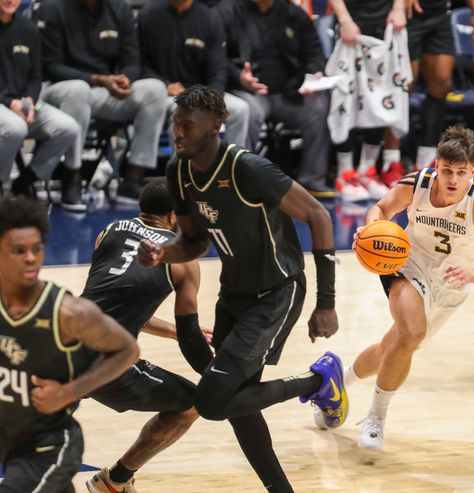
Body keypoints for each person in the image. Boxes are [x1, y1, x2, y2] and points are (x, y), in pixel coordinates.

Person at [136, 85, 345, 492]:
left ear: (216, 125)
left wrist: (327, 302)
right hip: (233, 295)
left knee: (214, 400)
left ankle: (318, 382)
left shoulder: (247, 168)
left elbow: (318, 214)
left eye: (185, 125)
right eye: (174, 124)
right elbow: (194, 241)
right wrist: (164, 253)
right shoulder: (178, 172)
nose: (176, 132)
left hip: (277, 293)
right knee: (239, 402)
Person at [331, 126, 474, 451]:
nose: (453, 180)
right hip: (407, 265)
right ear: (436, 166)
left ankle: (339, 381)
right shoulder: (416, 185)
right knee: (412, 333)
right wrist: (372, 228)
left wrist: (473, 273)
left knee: (396, 345)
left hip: (453, 284)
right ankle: (376, 418)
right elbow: (381, 209)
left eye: (461, 173)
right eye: (446, 171)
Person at [80, 179, 211, 493]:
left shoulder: (108, 232)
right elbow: (191, 334)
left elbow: (115, 302)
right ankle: (115, 481)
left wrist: (173, 334)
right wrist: (218, 372)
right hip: (104, 360)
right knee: (191, 404)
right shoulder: (181, 259)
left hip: (62, 340)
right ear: (174, 216)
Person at [0, 196, 138, 492]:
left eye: (36, 249)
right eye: (18, 251)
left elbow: (127, 350)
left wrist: (70, 391)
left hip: (47, 445)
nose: (30, 258)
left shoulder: (69, 312)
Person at [35, 0, 168, 203]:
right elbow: (50, 66)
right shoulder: (52, 7)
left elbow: (132, 60)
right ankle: (72, 174)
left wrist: (125, 78)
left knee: (155, 89)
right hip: (58, 90)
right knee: (78, 90)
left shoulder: (119, 8)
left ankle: (133, 176)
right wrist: (97, 79)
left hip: (105, 91)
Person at [218, 0, 334, 198]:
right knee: (249, 111)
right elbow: (215, 58)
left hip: (288, 94)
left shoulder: (294, 14)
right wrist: (238, 76)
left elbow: (314, 53)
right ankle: (242, 180)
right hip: (249, 91)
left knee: (318, 106)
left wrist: (313, 75)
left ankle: (312, 179)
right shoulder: (226, 12)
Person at [380, 0, 474, 188]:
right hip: (409, 14)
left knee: (441, 85)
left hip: (440, 14)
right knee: (402, 85)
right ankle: (391, 161)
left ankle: (426, 160)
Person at [0, 0, 81, 209]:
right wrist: (10, 103)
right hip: (4, 105)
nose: (10, 1)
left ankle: (24, 181)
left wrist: (29, 100)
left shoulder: (28, 29)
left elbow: (36, 76)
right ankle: (2, 184)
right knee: (14, 127)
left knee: (68, 127)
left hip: (23, 104)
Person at [137, 0, 250, 148]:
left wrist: (211, 99)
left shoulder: (210, 18)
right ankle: (180, 169)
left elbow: (217, 72)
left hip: (200, 93)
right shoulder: (148, 14)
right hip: (163, 94)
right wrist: (165, 85)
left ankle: (232, 168)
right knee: (180, 111)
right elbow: (138, 64)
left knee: (240, 110)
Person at [328, 0, 407, 201]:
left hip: (384, 23)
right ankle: (344, 174)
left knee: (382, 95)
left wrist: (398, 8)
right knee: (346, 96)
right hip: (351, 22)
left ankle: (367, 170)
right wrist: (344, 18)